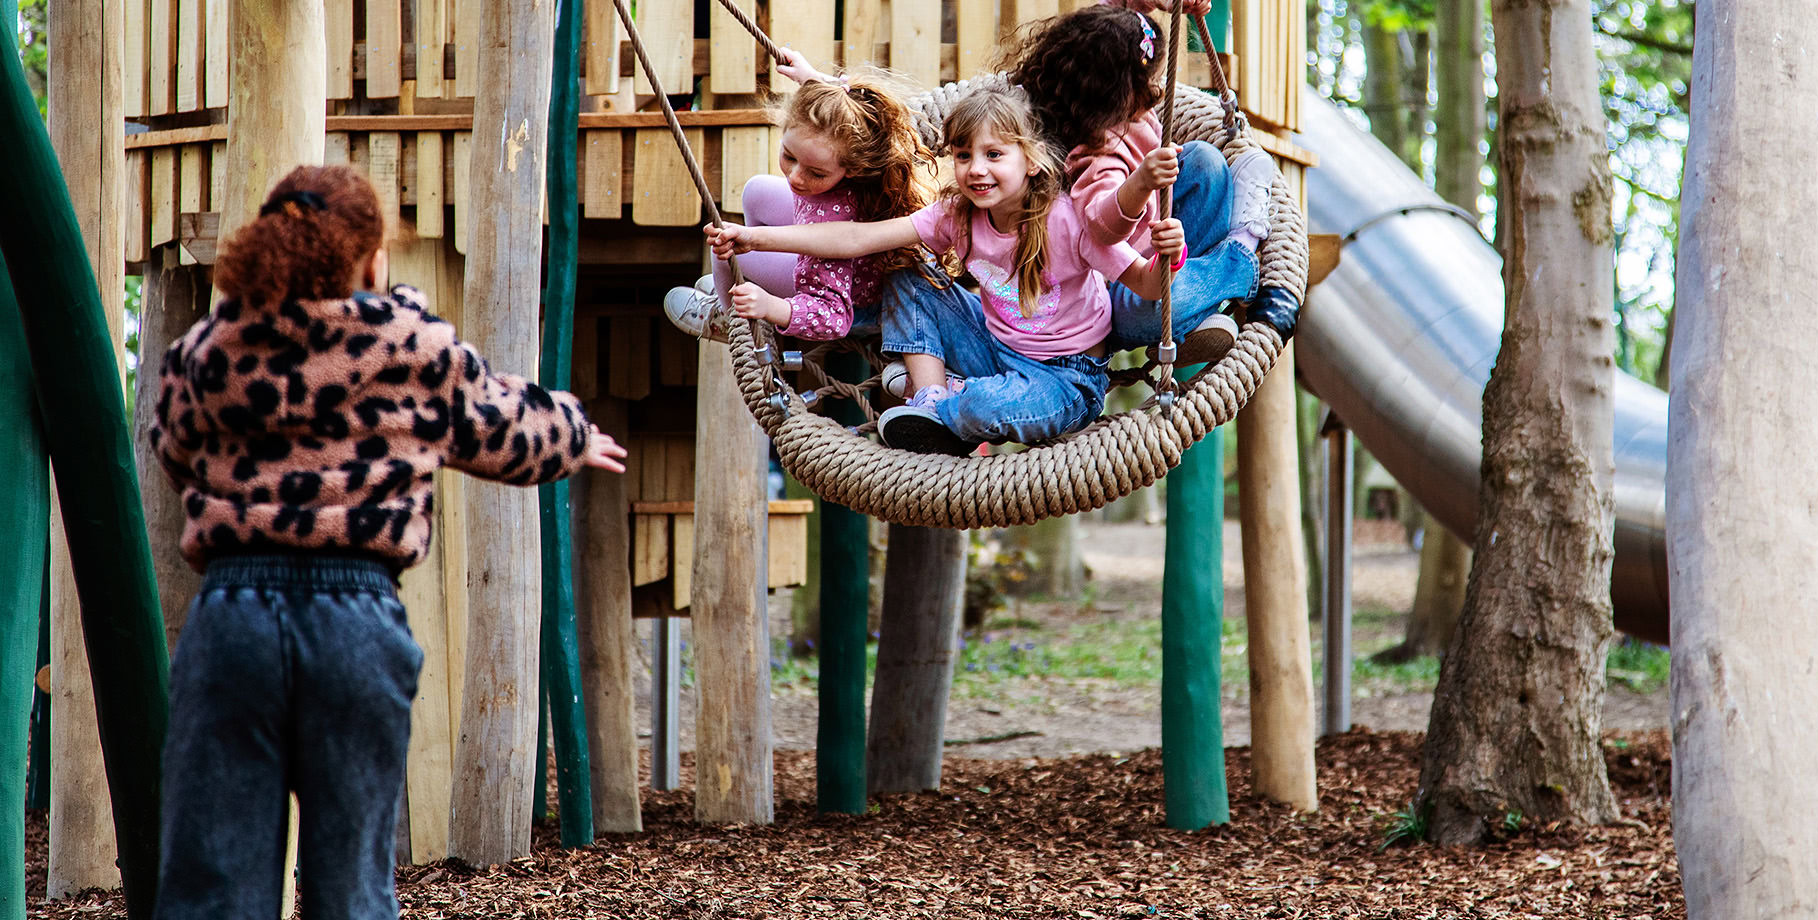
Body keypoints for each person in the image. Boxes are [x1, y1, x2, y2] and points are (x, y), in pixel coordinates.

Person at [146, 164, 626, 920]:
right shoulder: (407, 345)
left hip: (233, 613)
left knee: (214, 882)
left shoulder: (211, 348)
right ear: (370, 260)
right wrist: (571, 433)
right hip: (355, 615)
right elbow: (498, 424)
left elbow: (170, 445)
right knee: (352, 883)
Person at [707, 78, 1187, 455]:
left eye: (994, 155)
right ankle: (932, 398)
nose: (976, 168)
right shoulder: (956, 214)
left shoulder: (1070, 223)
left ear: (1033, 160)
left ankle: (951, 401)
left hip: (1065, 377)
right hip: (991, 344)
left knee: (982, 405)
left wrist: (1167, 257)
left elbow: (1145, 285)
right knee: (905, 270)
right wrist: (751, 238)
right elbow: (857, 238)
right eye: (963, 155)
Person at [1006, 0, 1300, 362]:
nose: (1160, 89)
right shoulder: (1095, 151)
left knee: (1206, 163)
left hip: (1166, 246)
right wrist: (1141, 182)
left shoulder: (1102, 63)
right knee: (1152, 314)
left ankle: (1198, 307)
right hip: (1117, 287)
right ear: (1112, 93)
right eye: (1149, 83)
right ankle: (1240, 256)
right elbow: (1100, 223)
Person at [665, 51, 936, 343]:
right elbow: (847, 104)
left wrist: (773, 307)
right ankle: (753, 282)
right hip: (822, 228)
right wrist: (811, 79)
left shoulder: (831, 236)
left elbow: (834, 318)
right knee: (756, 190)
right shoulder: (844, 146)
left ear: (853, 169)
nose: (795, 176)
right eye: (789, 156)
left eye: (816, 173)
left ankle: (733, 320)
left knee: (725, 251)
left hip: (855, 304)